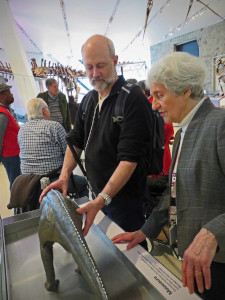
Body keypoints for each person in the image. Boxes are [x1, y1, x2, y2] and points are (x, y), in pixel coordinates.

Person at [112, 52, 225, 300]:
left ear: (185, 90)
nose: (153, 105)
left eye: (160, 95)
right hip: (192, 257)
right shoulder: (185, 129)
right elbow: (175, 191)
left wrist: (214, 231)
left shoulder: (220, 124)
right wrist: (145, 230)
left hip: (217, 260)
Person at [40, 34, 153, 240]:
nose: (94, 73)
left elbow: (129, 159)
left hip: (126, 202)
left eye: (100, 65)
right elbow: (76, 140)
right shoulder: (90, 99)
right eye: (89, 67)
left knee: (128, 254)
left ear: (115, 61)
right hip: (98, 197)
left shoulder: (132, 99)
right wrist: (65, 175)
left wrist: (102, 199)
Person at [18, 98, 88, 198]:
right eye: (48, 108)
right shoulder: (54, 126)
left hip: (27, 182)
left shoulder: (22, 129)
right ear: (44, 111)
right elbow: (69, 152)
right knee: (83, 183)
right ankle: (81, 211)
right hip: (52, 179)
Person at [0, 82, 20, 191]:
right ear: (2, 96)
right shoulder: (2, 114)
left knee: (18, 183)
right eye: (9, 92)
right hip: (10, 156)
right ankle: (17, 208)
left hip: (14, 154)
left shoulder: (7, 111)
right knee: (16, 185)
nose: (11, 95)